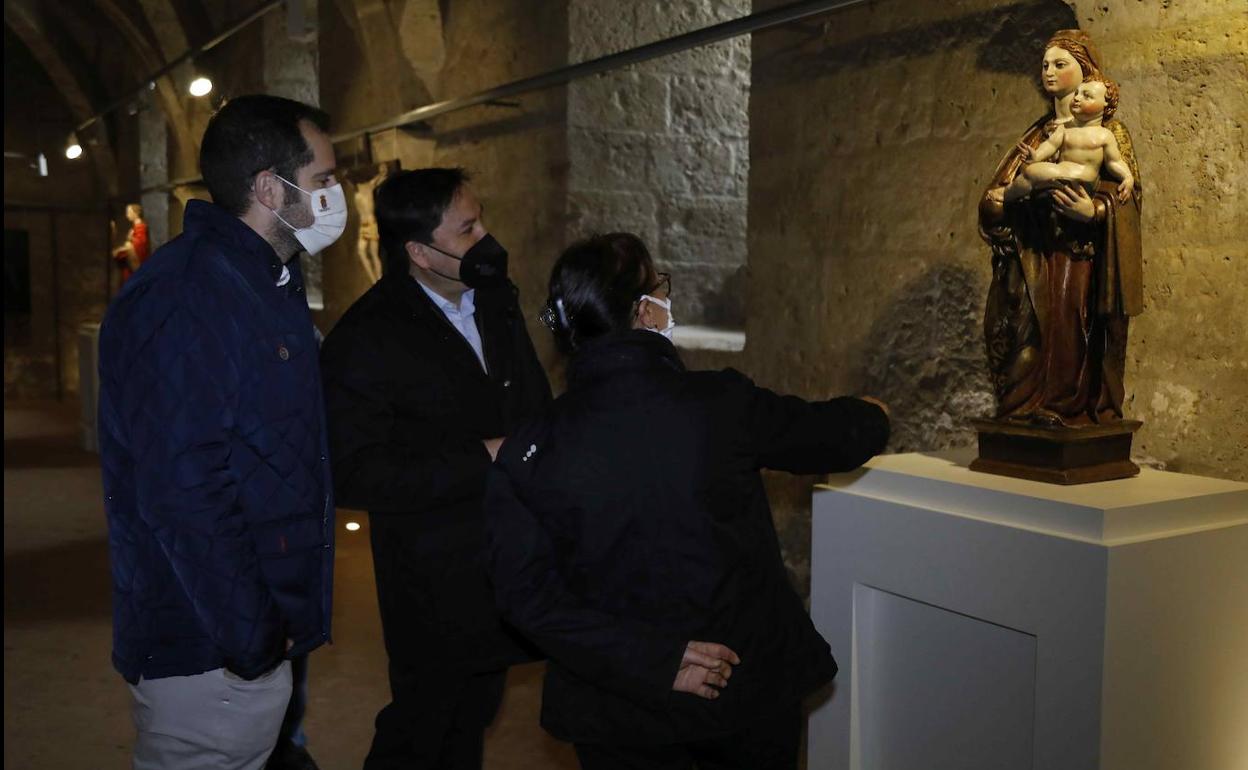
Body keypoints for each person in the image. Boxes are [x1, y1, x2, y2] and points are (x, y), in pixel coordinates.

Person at [483, 233, 891, 770]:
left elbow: (529, 601)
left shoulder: (528, 452)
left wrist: (653, 662)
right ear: (645, 311)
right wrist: (875, 414)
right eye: (658, 287)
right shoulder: (720, 403)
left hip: (618, 709)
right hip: (742, 691)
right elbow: (832, 436)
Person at [97, 94, 344, 770]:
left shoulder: (262, 281)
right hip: (208, 648)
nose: (337, 195)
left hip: (259, 631)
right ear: (271, 188)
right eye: (323, 179)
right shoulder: (186, 296)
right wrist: (253, 640)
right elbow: (182, 490)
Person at [320, 167, 552, 769]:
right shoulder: (366, 337)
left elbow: (529, 400)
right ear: (420, 252)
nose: (487, 238)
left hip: (507, 548)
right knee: (424, 725)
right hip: (433, 571)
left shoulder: (499, 298)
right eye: (468, 228)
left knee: (477, 711)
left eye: (482, 219)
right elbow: (355, 472)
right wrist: (482, 456)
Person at [980, 29, 1143, 426]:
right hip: (1031, 255)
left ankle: (1066, 408)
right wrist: (998, 204)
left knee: (1071, 330)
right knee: (1023, 339)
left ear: (1085, 70)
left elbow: (1129, 200)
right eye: (1044, 65)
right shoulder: (1041, 133)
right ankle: (1023, 409)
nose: (1048, 72)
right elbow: (1003, 189)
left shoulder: (1109, 133)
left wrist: (1095, 212)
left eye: (1060, 64)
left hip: (1078, 256)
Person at [1004, 77, 1132, 203]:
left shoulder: (1104, 135)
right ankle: (1015, 194)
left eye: (1087, 96)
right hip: (1060, 174)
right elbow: (1050, 145)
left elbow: (1114, 162)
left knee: (1033, 171)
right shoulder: (1065, 128)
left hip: (1083, 181)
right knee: (1031, 170)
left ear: (1105, 103)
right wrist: (1036, 156)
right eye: (1076, 93)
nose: (1076, 98)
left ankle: (1007, 194)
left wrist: (1127, 177)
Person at [111, 203, 150, 285]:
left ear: (136, 213)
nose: (127, 215)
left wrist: (127, 245)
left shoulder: (140, 227)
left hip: (136, 262)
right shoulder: (135, 228)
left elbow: (140, 245)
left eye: (129, 212)